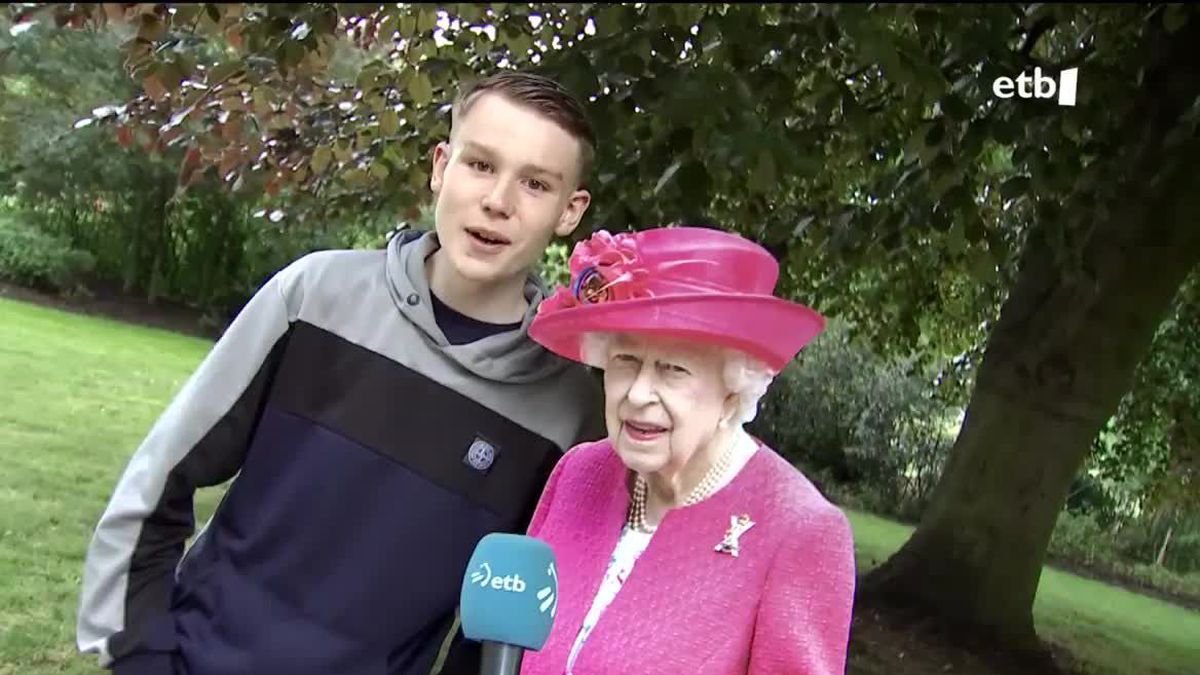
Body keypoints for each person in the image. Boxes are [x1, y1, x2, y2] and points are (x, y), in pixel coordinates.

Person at [75, 71, 607, 675]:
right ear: (440, 167)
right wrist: (140, 654)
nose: (498, 201)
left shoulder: (568, 409)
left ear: (570, 211)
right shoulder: (314, 296)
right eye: (480, 165)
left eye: (535, 183)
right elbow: (157, 482)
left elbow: (503, 633)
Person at [519, 226, 857, 674]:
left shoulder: (798, 531)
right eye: (626, 361)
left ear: (733, 392)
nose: (638, 394)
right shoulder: (579, 472)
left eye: (673, 369)